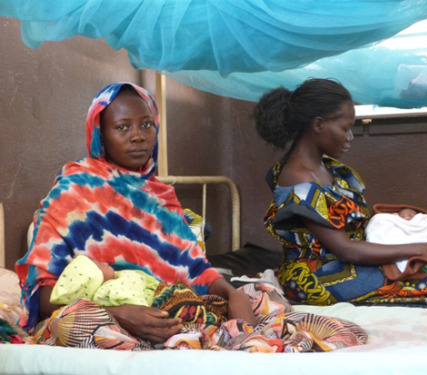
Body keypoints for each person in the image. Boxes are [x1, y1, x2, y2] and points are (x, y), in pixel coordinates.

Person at [16, 82, 256, 345]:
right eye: (122, 127)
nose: (138, 136)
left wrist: (233, 294)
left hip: (168, 313)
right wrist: (119, 315)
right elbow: (43, 297)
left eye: (146, 124)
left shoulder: (161, 198)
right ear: (100, 134)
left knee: (263, 298)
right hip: (101, 320)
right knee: (71, 326)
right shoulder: (73, 191)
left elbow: (197, 271)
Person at [253, 78, 427, 306]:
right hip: (317, 276)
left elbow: (351, 226)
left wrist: (401, 216)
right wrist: (419, 247)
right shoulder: (297, 178)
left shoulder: (328, 169)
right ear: (318, 125)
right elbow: (345, 249)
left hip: (349, 260)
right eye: (345, 128)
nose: (350, 137)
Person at [365, 204, 427, 281]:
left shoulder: (423, 221)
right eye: (403, 216)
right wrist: (419, 250)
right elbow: (381, 233)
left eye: (410, 215)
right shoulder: (389, 220)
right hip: (384, 259)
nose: (406, 217)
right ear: (396, 215)